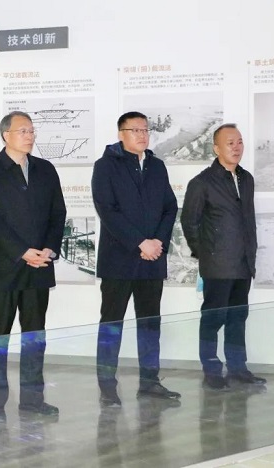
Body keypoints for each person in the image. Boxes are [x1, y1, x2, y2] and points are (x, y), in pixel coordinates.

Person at [0, 111, 67, 422]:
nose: (30, 136)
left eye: (31, 130)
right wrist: (22, 252)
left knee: (34, 338)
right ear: (6, 135)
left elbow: (58, 213)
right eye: (23, 131)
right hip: (4, 268)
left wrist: (49, 249)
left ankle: (32, 400)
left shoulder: (45, 169)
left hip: (39, 267)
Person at [91, 111, 180, 407]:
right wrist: (140, 243)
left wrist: (157, 243)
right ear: (121, 134)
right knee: (111, 325)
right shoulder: (105, 166)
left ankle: (150, 382)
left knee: (150, 324)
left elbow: (170, 207)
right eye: (135, 130)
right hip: (119, 261)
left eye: (145, 130)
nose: (142, 135)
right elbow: (108, 211)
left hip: (152, 260)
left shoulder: (157, 166)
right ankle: (107, 386)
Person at [181, 123, 265, 390]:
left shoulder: (246, 179)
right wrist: (206, 253)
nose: (236, 147)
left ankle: (238, 369)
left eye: (239, 142)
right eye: (230, 143)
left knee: (238, 319)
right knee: (213, 319)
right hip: (217, 265)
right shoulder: (202, 183)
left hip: (243, 263)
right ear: (216, 148)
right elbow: (189, 222)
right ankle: (211, 371)